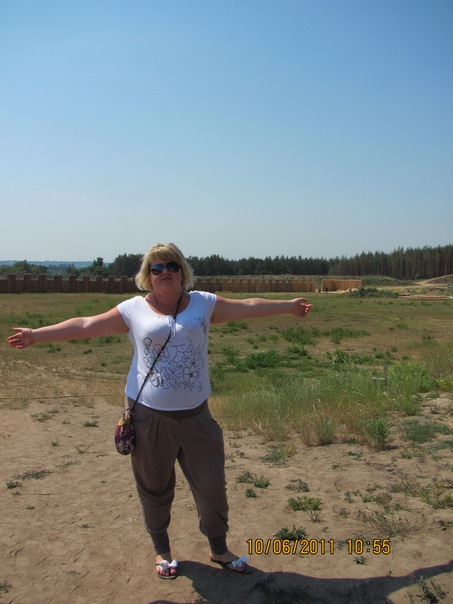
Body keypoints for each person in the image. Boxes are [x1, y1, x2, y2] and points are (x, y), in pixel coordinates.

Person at [7, 242, 312, 579]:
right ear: (147, 276)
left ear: (182, 271)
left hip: (196, 415)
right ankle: (163, 551)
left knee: (212, 485)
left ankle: (219, 548)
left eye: (171, 266)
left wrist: (288, 306)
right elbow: (85, 324)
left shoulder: (203, 303)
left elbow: (247, 306)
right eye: (157, 268)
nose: (164, 272)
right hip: (148, 416)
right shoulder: (132, 310)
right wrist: (36, 335)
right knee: (154, 487)